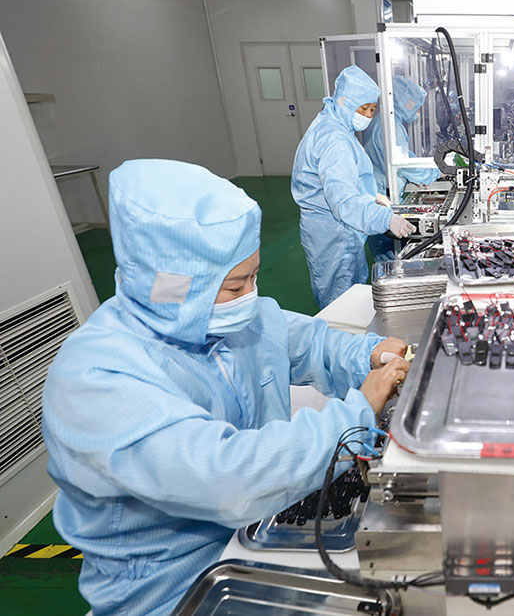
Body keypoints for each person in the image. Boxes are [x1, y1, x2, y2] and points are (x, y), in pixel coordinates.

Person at [42, 159, 411, 616]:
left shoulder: (224, 319)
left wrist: (367, 354)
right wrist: (355, 414)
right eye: (236, 287)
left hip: (256, 533)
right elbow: (228, 477)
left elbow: (301, 340)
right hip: (173, 590)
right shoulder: (97, 382)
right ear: (173, 287)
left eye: (254, 277)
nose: (251, 297)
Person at [292, 65, 415, 308]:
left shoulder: (333, 125)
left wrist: (369, 195)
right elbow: (344, 203)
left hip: (336, 230)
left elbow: (340, 181)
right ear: (344, 101)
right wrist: (385, 218)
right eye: (363, 108)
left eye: (372, 109)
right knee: (341, 304)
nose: (368, 115)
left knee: (350, 295)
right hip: (334, 235)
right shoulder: (334, 139)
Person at [363, 75, 440, 200]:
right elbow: (404, 164)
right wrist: (435, 173)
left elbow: (404, 158)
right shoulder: (392, 127)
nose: (418, 111)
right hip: (386, 192)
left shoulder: (381, 121)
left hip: (379, 187)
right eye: (417, 106)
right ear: (408, 103)